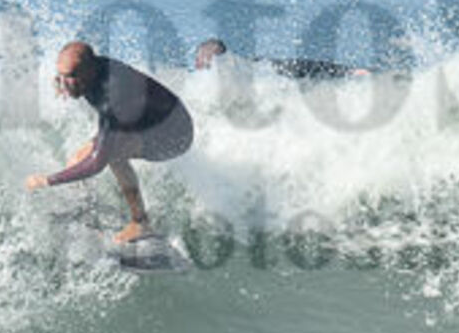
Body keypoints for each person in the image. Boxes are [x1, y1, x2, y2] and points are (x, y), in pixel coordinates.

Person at [26, 41, 193, 243]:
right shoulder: (90, 69)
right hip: (143, 123)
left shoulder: (112, 95)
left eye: (71, 76)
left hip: (173, 135)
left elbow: (97, 164)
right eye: (61, 75)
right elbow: (70, 70)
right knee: (76, 161)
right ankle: (87, 214)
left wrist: (48, 180)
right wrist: (61, 80)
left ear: (89, 71)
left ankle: (141, 223)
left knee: (112, 154)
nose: (66, 83)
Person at [194, 36, 364, 80]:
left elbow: (220, 48)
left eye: (202, 59)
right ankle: (351, 71)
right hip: (261, 70)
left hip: (265, 69)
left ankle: (351, 71)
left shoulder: (228, 67)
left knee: (306, 68)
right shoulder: (202, 83)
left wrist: (212, 48)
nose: (199, 64)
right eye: (199, 60)